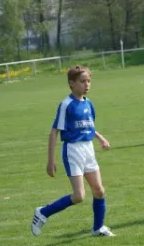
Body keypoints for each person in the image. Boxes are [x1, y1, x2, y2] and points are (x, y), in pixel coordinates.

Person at [31, 66, 114, 237]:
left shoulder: (89, 103)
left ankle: (98, 227)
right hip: (73, 150)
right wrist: (50, 160)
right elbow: (54, 132)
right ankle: (43, 212)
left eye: (89, 81)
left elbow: (89, 125)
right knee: (79, 196)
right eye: (82, 81)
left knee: (99, 190)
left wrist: (100, 137)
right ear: (71, 83)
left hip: (88, 149)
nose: (87, 85)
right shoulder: (66, 105)